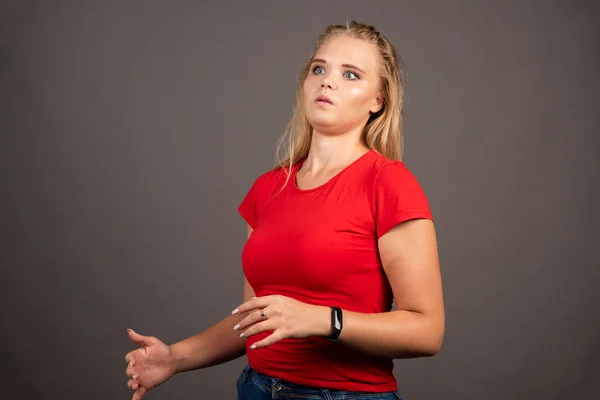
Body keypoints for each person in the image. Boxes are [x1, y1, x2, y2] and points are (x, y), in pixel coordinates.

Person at [124, 20, 445, 400]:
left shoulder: (388, 183)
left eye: (351, 75)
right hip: (257, 388)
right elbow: (254, 319)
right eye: (319, 69)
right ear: (306, 82)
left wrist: (325, 320)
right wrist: (174, 358)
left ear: (378, 101)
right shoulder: (267, 188)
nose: (328, 82)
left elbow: (427, 331)